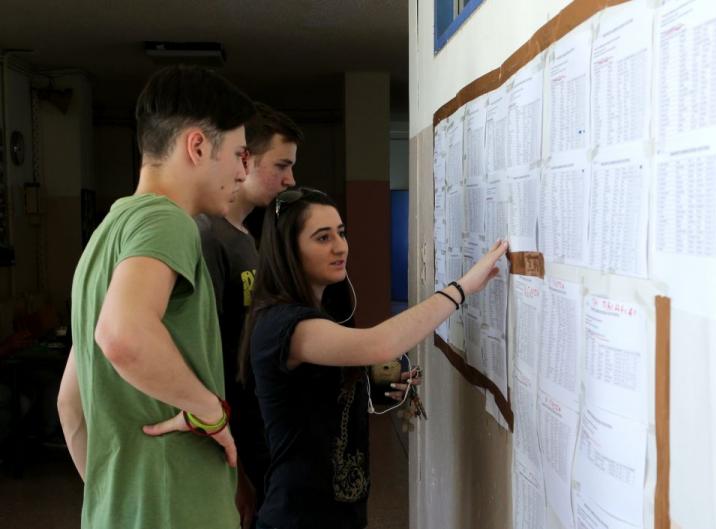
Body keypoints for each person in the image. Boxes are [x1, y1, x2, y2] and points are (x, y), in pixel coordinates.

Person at [56, 64, 255, 529]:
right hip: (178, 511)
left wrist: (120, 503)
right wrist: (211, 412)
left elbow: (71, 403)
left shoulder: (106, 233)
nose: (244, 174)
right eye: (240, 155)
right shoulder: (168, 222)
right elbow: (123, 335)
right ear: (198, 145)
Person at [241, 187, 508, 529]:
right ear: (288, 251)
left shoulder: (322, 312)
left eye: (341, 232)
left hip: (340, 514)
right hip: (298, 517)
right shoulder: (282, 325)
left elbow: (319, 397)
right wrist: (462, 288)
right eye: (322, 238)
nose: (340, 246)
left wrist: (375, 391)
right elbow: (380, 344)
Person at [195, 103, 303, 527]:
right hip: (228, 432)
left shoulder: (248, 238)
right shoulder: (207, 236)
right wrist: (232, 465)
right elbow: (205, 358)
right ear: (245, 159)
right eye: (281, 165)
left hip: (257, 425)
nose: (290, 179)